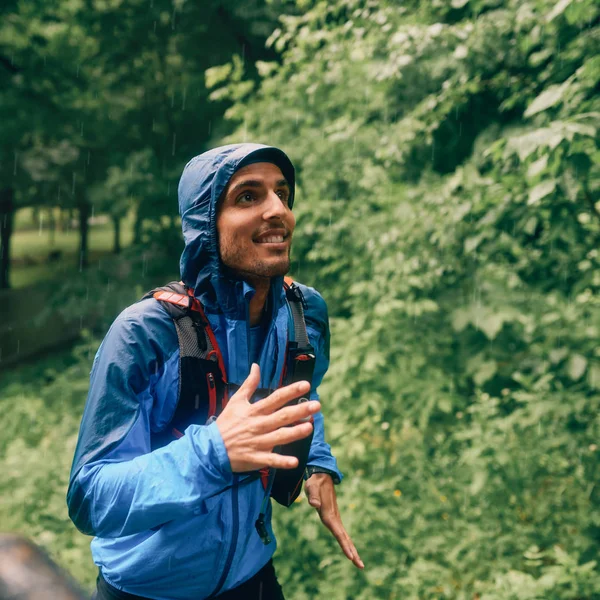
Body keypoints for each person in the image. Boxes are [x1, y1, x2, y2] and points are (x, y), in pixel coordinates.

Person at [66, 143, 363, 600]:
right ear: (206, 224)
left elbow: (299, 394)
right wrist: (214, 452)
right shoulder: (146, 333)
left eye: (283, 194)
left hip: (254, 578)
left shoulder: (303, 313)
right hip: (148, 592)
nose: (277, 210)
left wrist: (316, 460)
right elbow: (90, 498)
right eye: (248, 197)